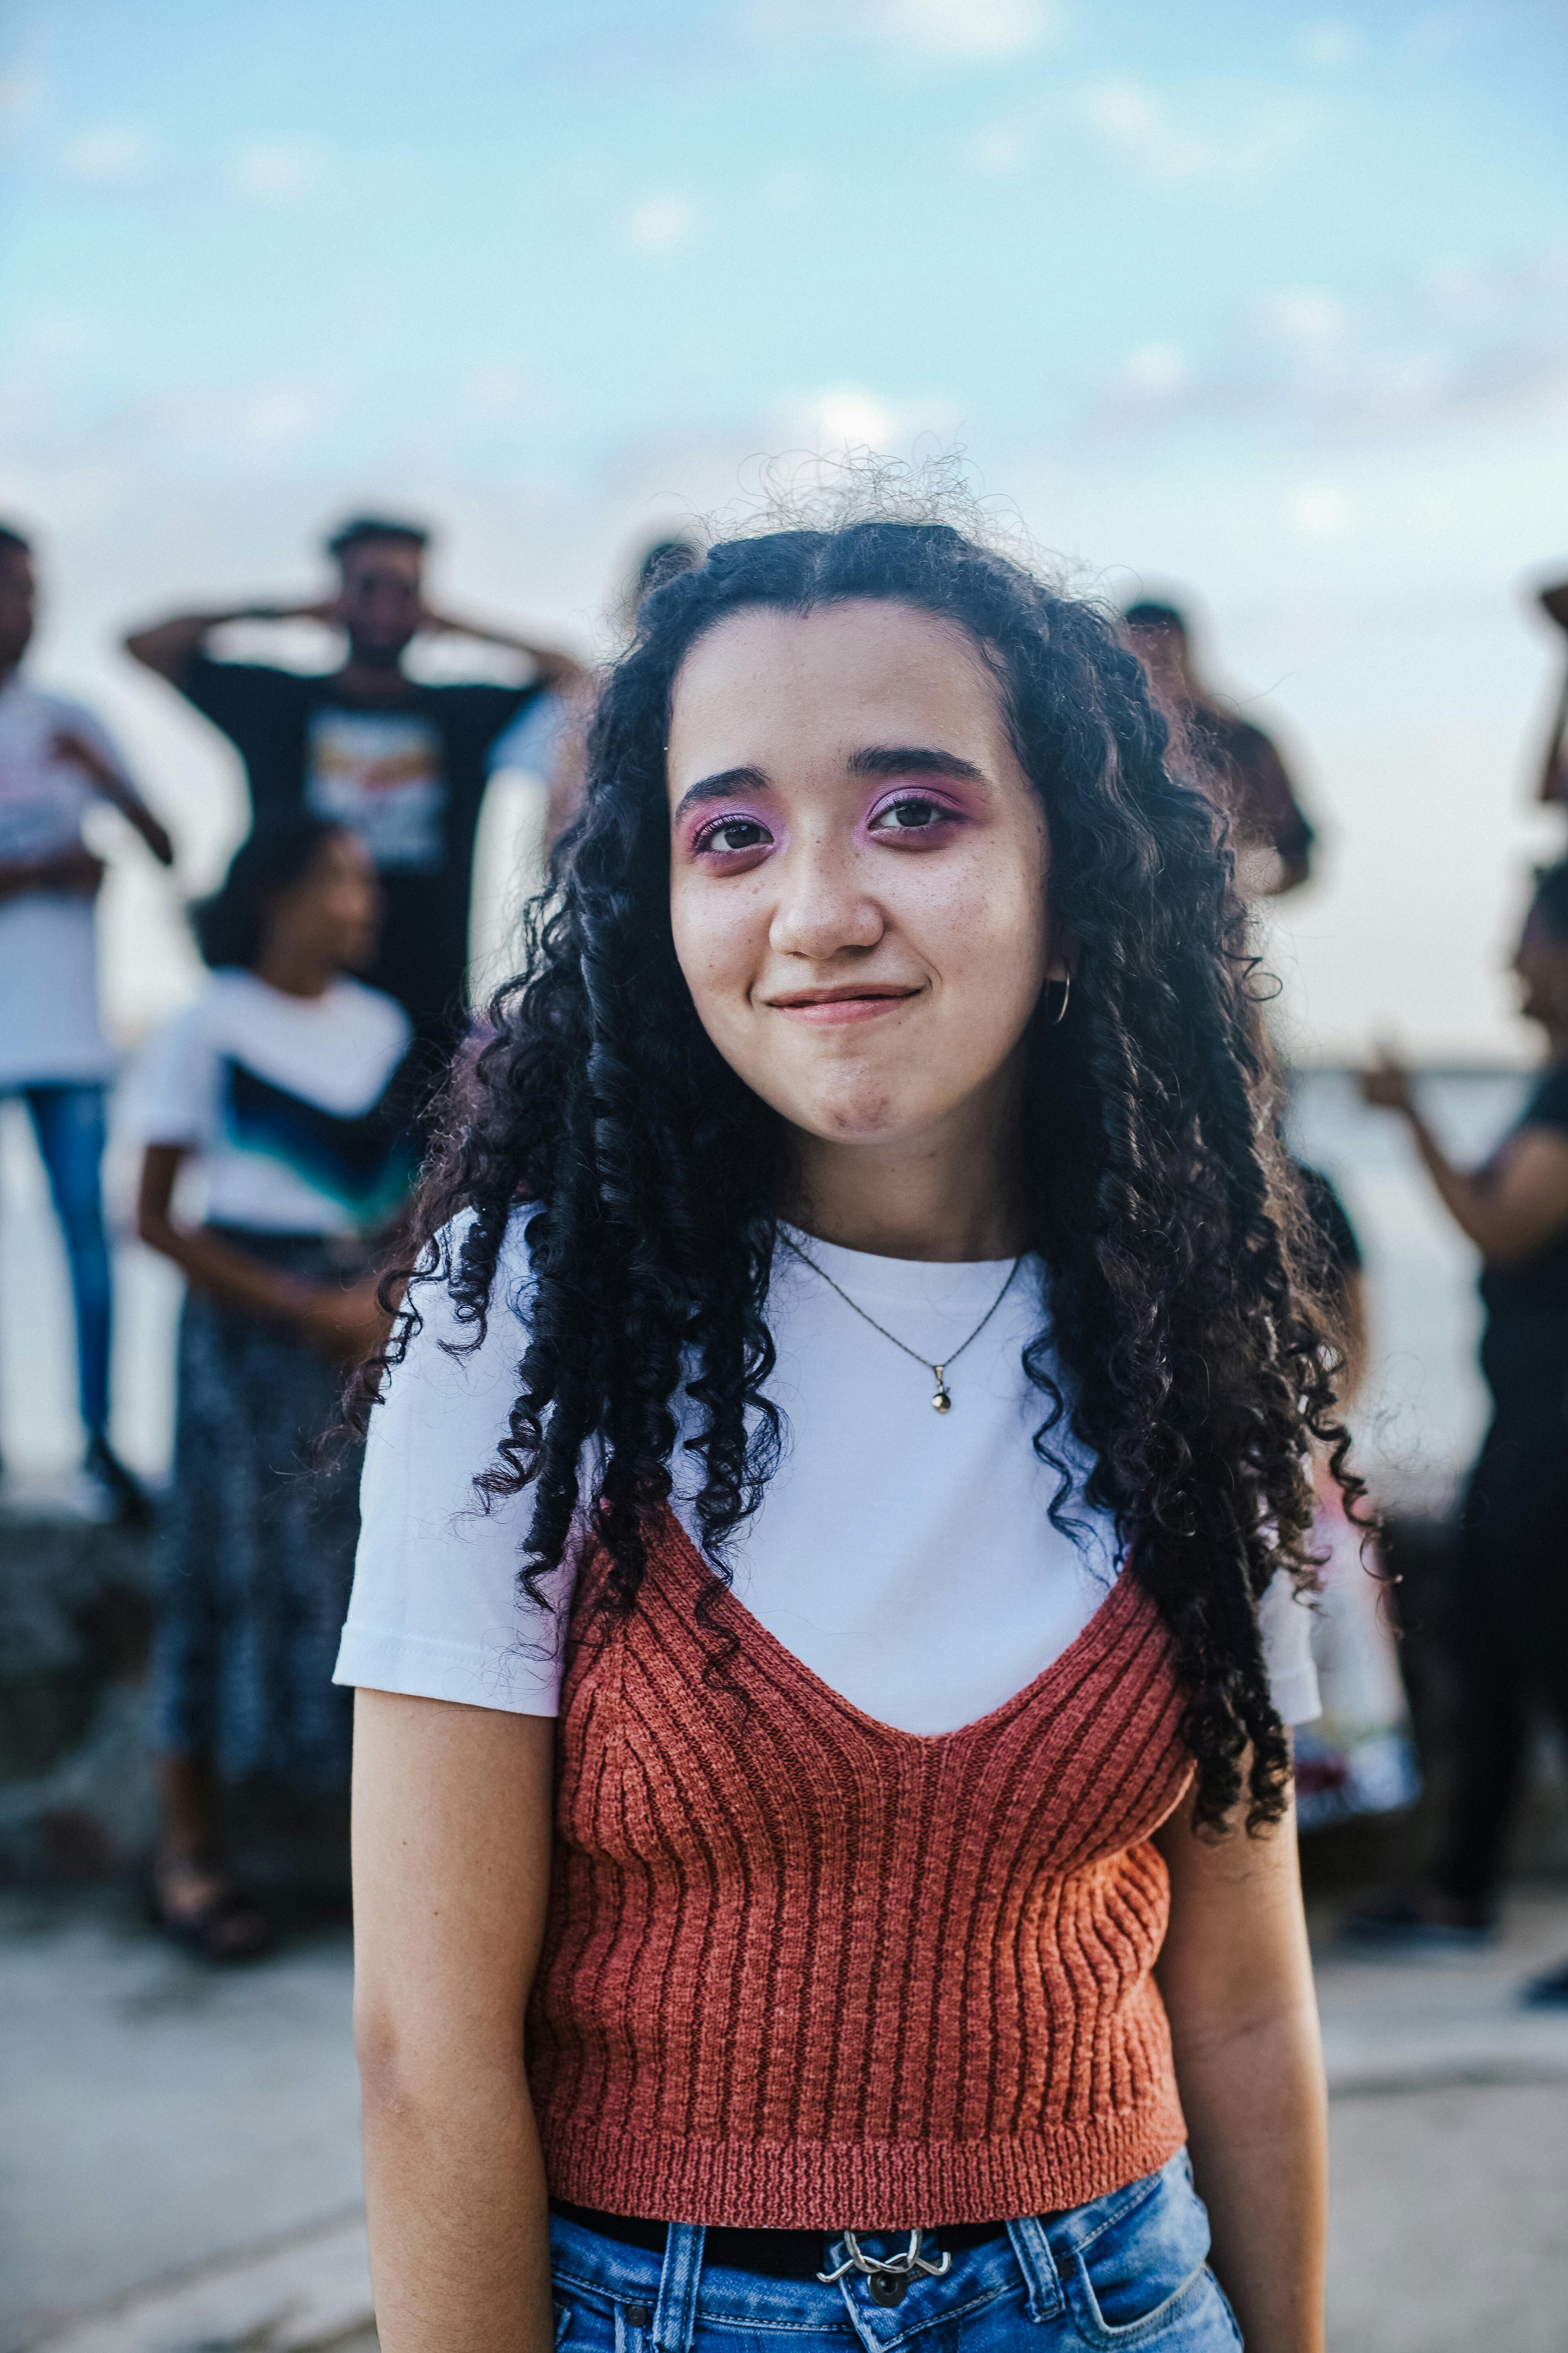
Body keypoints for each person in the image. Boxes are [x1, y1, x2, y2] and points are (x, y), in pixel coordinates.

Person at [338, 512, 1339, 2353]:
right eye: (729, 834)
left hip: (1122, 2295)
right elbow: (426, 2043)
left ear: (1070, 880)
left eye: (912, 813)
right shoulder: (530, 1315)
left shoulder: (1187, 1319)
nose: (814, 909)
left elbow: (1246, 2002)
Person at [125, 819, 418, 1960]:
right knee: (210, 1570)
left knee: (366, 1589)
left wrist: (380, 1306)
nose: (365, 900)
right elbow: (156, 1219)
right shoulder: (206, 1023)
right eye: (343, 877)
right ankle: (187, 1856)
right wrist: (307, 1310)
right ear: (281, 891)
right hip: (246, 1339)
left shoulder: (384, 1027)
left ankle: (385, 1868)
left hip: (365, 1334)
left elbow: (402, 1195)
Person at [123, 516, 582, 1064]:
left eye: (405, 591)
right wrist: (285, 611)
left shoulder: (461, 713)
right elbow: (145, 644)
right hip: (290, 1003)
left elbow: (571, 672)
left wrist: (454, 623)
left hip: (426, 1011)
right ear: (336, 595)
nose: (386, 607)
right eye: (368, 587)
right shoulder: (276, 704)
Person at [1352, 860, 1568, 2004]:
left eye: (1525, 937)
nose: (1507, 961)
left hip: (1556, 1440)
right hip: (1526, 1427)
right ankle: (1458, 1887)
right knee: (1482, 1648)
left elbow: (1498, 1225)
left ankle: (1463, 1884)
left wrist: (1410, 1117)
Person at [0, 521, 173, 1520]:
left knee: (85, 1242)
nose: (25, 613)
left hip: (67, 1028)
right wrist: (41, 872)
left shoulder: (71, 717)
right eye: (9, 591)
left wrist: (103, 783)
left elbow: (163, 843)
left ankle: (101, 1443)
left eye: (33, 592)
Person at [1123, 600, 1315, 896]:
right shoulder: (1108, 745)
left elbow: (1297, 855)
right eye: (1136, 663)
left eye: (1160, 661)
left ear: (1185, 657)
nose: (1150, 677)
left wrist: (1234, 896)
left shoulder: (1243, 745)